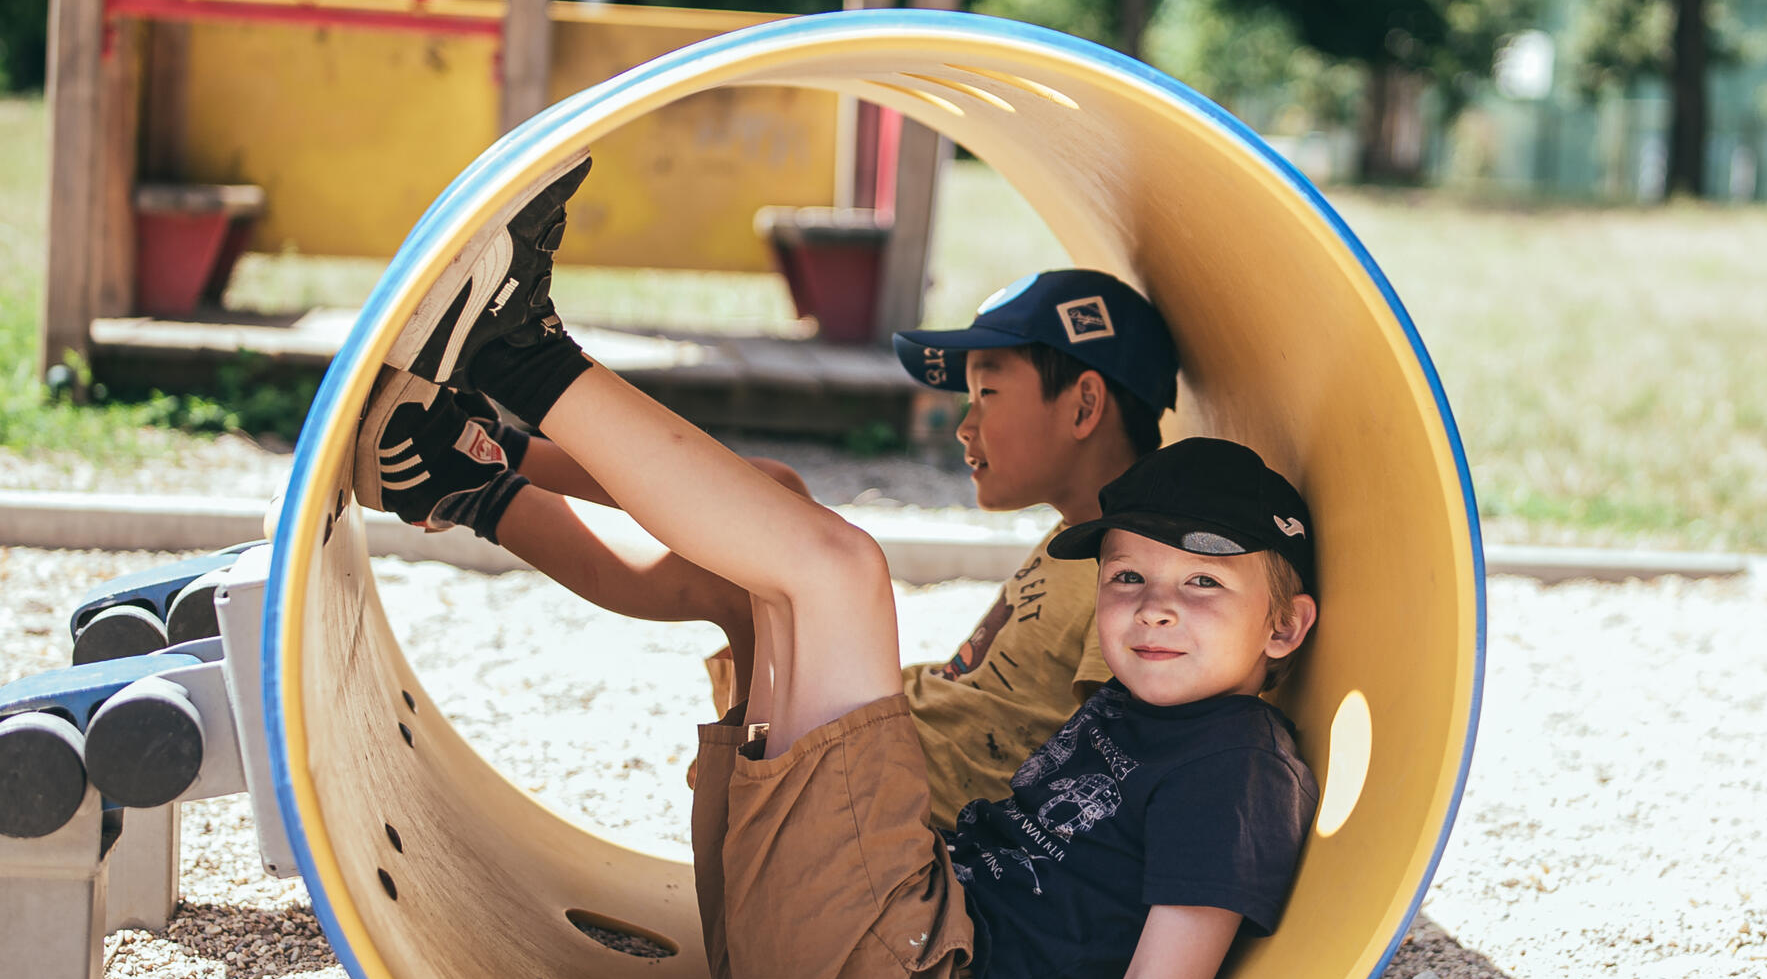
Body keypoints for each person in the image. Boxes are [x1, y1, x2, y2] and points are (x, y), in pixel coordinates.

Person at [358, 155, 1321, 979]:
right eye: (1129, 580)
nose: (1152, 608)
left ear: (1286, 624)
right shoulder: (1115, 641)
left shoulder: (1231, 759)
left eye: (1201, 584)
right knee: (780, 541)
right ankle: (468, 470)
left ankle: (520, 355)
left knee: (836, 567)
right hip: (858, 939)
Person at [357, 172, 1180, 831]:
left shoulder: (1141, 572)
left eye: (988, 393)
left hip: (883, 830)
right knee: (771, 506)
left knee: (797, 550)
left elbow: (1115, 769)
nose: (965, 425)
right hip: (878, 776)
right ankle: (474, 464)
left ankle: (513, 377)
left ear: (1084, 404)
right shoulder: (1079, 540)